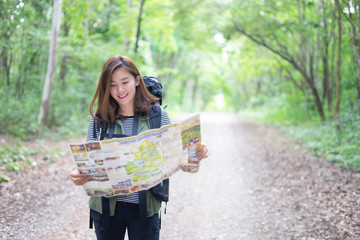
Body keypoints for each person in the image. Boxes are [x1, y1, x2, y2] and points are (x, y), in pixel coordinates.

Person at [70, 55, 209, 240]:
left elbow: (182, 164)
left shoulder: (158, 117)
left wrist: (195, 156)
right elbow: (87, 165)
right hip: (105, 212)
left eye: (124, 82)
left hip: (145, 211)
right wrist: (79, 175)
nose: (119, 90)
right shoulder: (99, 120)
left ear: (137, 80)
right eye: (112, 84)